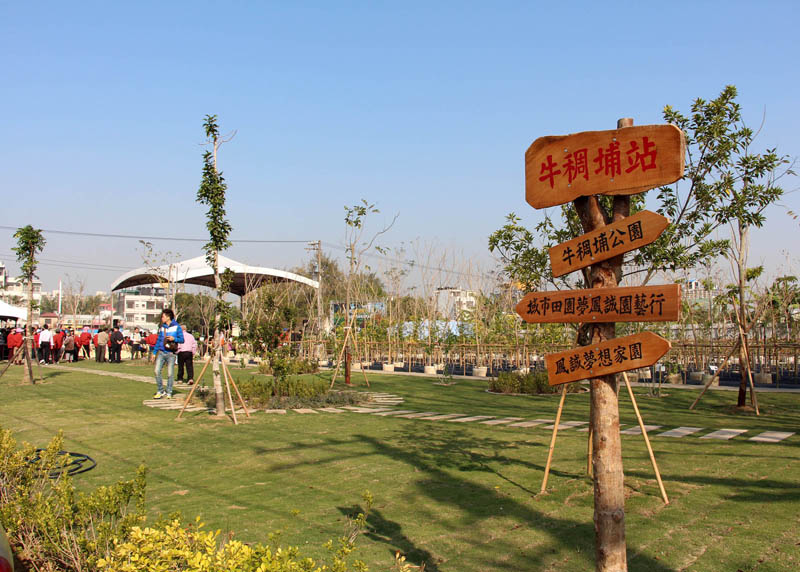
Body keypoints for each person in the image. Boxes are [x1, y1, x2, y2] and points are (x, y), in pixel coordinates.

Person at [152, 309, 184, 399]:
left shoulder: (177, 327)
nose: (161, 318)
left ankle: (169, 391)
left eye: (163, 316)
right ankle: (160, 390)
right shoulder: (162, 327)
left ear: (168, 317)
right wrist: (154, 352)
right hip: (162, 352)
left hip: (171, 354)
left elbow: (182, 339)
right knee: (156, 371)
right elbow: (159, 340)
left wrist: (174, 339)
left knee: (170, 374)